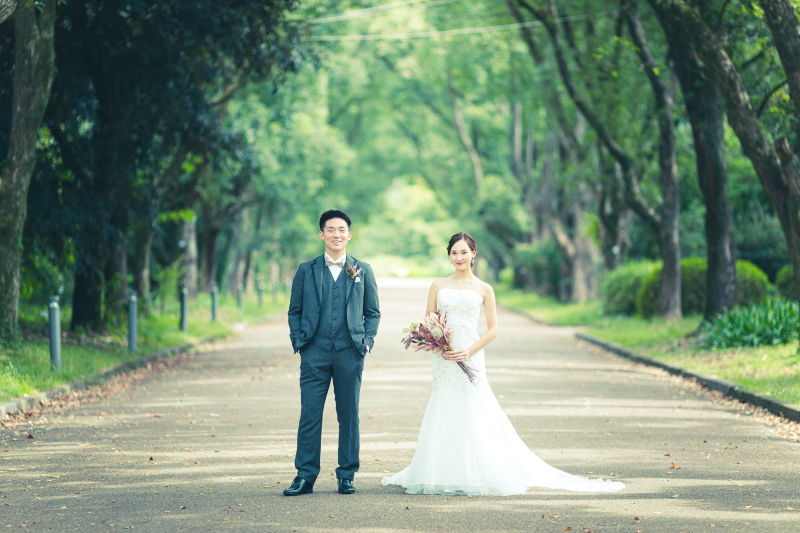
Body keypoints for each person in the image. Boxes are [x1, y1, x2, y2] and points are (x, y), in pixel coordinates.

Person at [381, 232, 624, 496]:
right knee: (444, 402)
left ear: (474, 254)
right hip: (445, 356)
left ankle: (476, 471)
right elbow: (428, 321)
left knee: (473, 406)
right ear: (449, 255)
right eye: (454, 252)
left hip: (470, 353)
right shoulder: (438, 285)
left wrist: (468, 351)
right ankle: (439, 470)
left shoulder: (485, 288)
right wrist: (438, 346)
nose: (459, 257)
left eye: (464, 252)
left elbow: (493, 329)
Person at [284, 209, 381, 496]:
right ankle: (305, 476)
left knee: (348, 414)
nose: (336, 234)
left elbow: (372, 313)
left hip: (350, 352)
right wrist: (299, 340)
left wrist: (367, 341)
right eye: (330, 229)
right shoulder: (306, 270)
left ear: (349, 235)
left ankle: (347, 474)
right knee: (310, 414)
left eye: (341, 230)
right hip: (314, 351)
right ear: (321, 234)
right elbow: (295, 311)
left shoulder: (363, 270)